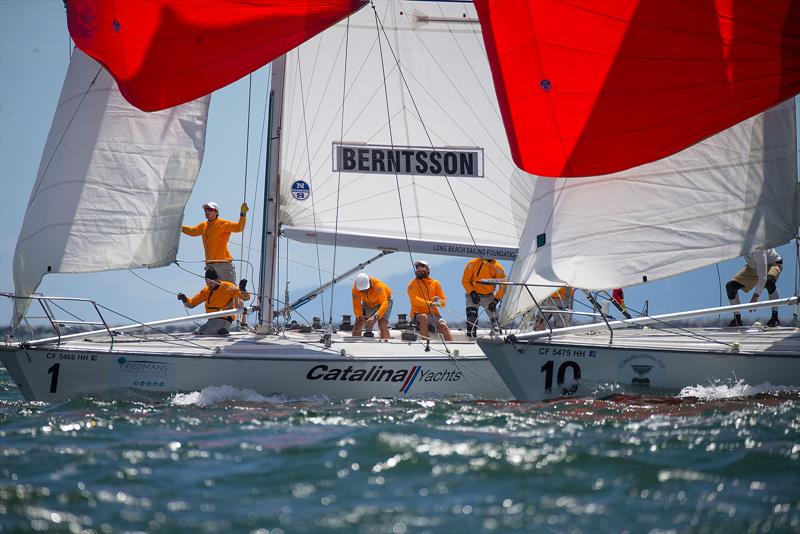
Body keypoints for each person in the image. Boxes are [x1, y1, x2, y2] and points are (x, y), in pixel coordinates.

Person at [181, 201, 248, 283]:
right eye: (205, 210)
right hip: (211, 266)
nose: (207, 211)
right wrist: (178, 226)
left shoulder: (223, 224)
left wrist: (243, 214)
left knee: (229, 291)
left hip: (223, 265)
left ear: (216, 212)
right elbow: (192, 231)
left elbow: (239, 227)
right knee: (213, 293)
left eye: (210, 209)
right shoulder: (203, 226)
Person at [177, 268, 250, 335]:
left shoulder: (228, 287)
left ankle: (222, 331)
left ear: (217, 280)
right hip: (211, 322)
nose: (209, 285)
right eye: (207, 283)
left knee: (201, 334)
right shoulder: (206, 290)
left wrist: (243, 290)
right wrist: (184, 299)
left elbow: (245, 298)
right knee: (196, 334)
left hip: (223, 321)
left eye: (211, 283)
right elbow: (191, 304)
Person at [726, 247, 783, 327]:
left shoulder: (759, 249)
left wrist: (755, 297)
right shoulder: (741, 244)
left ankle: (774, 318)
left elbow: (763, 278)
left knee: (769, 282)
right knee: (730, 286)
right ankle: (737, 319)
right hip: (753, 267)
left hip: (773, 263)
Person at [407, 260, 453, 341]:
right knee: (423, 317)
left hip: (433, 315)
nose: (418, 269)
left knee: (444, 326)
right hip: (417, 315)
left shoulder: (435, 283)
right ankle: (426, 344)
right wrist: (431, 304)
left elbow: (443, 302)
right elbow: (415, 300)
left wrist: (438, 302)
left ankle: (453, 349)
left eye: (421, 266)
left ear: (427, 270)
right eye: (417, 267)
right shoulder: (412, 284)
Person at [461, 257, 506, 337]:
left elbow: (503, 286)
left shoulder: (498, 268)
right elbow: (465, 280)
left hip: (489, 297)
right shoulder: (472, 263)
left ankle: (497, 341)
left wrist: (495, 300)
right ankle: (471, 341)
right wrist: (472, 293)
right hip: (473, 295)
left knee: (496, 322)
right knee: (471, 318)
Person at [351, 273, 393, 340]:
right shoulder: (355, 289)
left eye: (366, 289)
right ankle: (354, 344)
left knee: (382, 322)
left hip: (385, 300)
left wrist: (376, 316)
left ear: (370, 282)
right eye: (362, 290)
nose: (364, 291)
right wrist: (360, 316)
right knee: (358, 322)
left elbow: (384, 304)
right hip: (368, 302)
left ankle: (386, 344)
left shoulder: (378, 286)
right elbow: (356, 306)